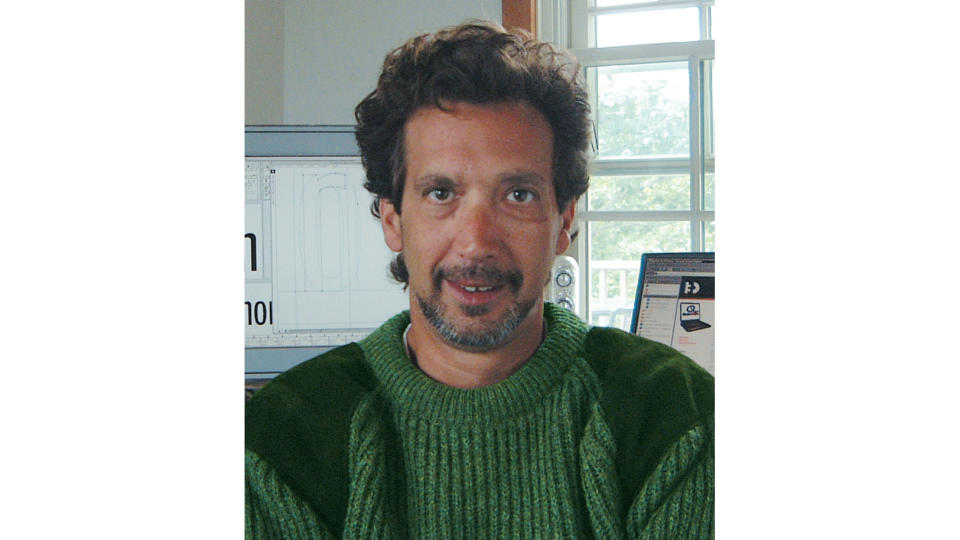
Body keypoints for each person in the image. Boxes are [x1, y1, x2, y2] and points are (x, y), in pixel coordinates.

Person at [246, 20, 714, 539]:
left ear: (563, 221)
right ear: (392, 220)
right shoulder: (281, 441)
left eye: (518, 195)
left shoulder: (675, 416)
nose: (476, 242)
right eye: (441, 193)